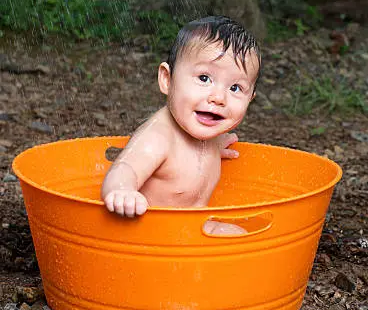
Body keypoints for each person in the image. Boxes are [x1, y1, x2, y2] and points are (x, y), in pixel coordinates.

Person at [101, 16, 261, 235]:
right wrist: (122, 191)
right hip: (150, 236)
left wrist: (214, 146)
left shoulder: (203, 134)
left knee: (240, 235)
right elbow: (125, 168)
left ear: (250, 98)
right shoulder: (158, 137)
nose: (218, 97)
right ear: (167, 79)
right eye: (204, 78)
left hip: (192, 228)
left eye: (235, 88)